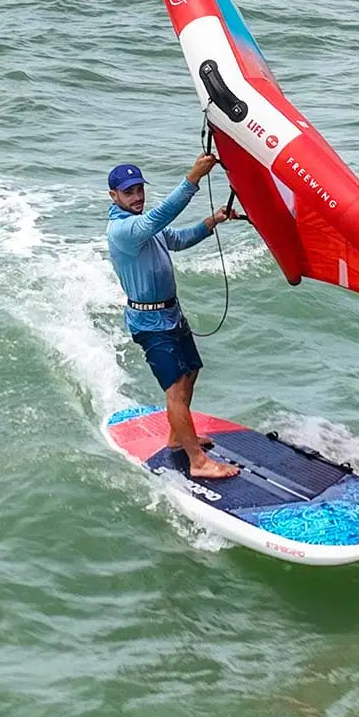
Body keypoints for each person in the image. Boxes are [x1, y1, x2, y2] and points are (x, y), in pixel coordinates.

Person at [106, 155, 240, 479]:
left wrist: (213, 221)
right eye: (129, 193)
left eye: (139, 189)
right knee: (176, 388)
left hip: (170, 314)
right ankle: (198, 462)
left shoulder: (142, 226)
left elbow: (177, 239)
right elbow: (157, 219)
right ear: (114, 196)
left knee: (191, 371)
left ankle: (177, 438)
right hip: (149, 323)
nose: (137, 197)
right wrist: (192, 178)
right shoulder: (124, 229)